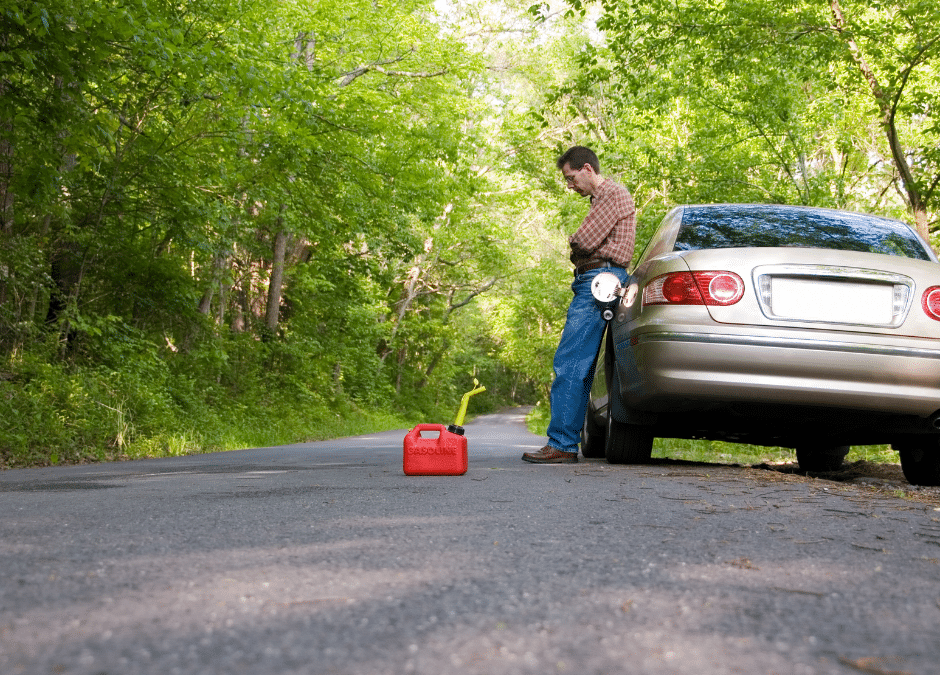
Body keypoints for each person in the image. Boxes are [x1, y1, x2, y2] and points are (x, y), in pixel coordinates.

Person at [523, 146, 636, 464]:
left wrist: (578, 243)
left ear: (587, 168)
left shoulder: (610, 192)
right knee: (582, 363)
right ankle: (564, 441)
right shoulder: (602, 198)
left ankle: (561, 443)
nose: (569, 185)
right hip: (599, 278)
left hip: (599, 279)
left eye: (571, 178)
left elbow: (583, 241)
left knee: (570, 361)